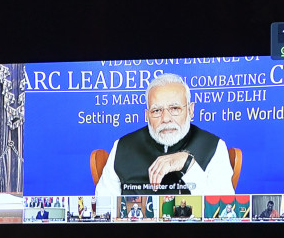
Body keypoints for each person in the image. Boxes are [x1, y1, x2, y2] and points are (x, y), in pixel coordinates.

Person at [95, 73, 233, 205]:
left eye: (174, 108)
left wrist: (188, 164)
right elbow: (103, 206)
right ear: (147, 115)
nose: (166, 119)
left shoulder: (214, 146)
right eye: (156, 111)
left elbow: (223, 211)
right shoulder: (122, 146)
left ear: (190, 110)